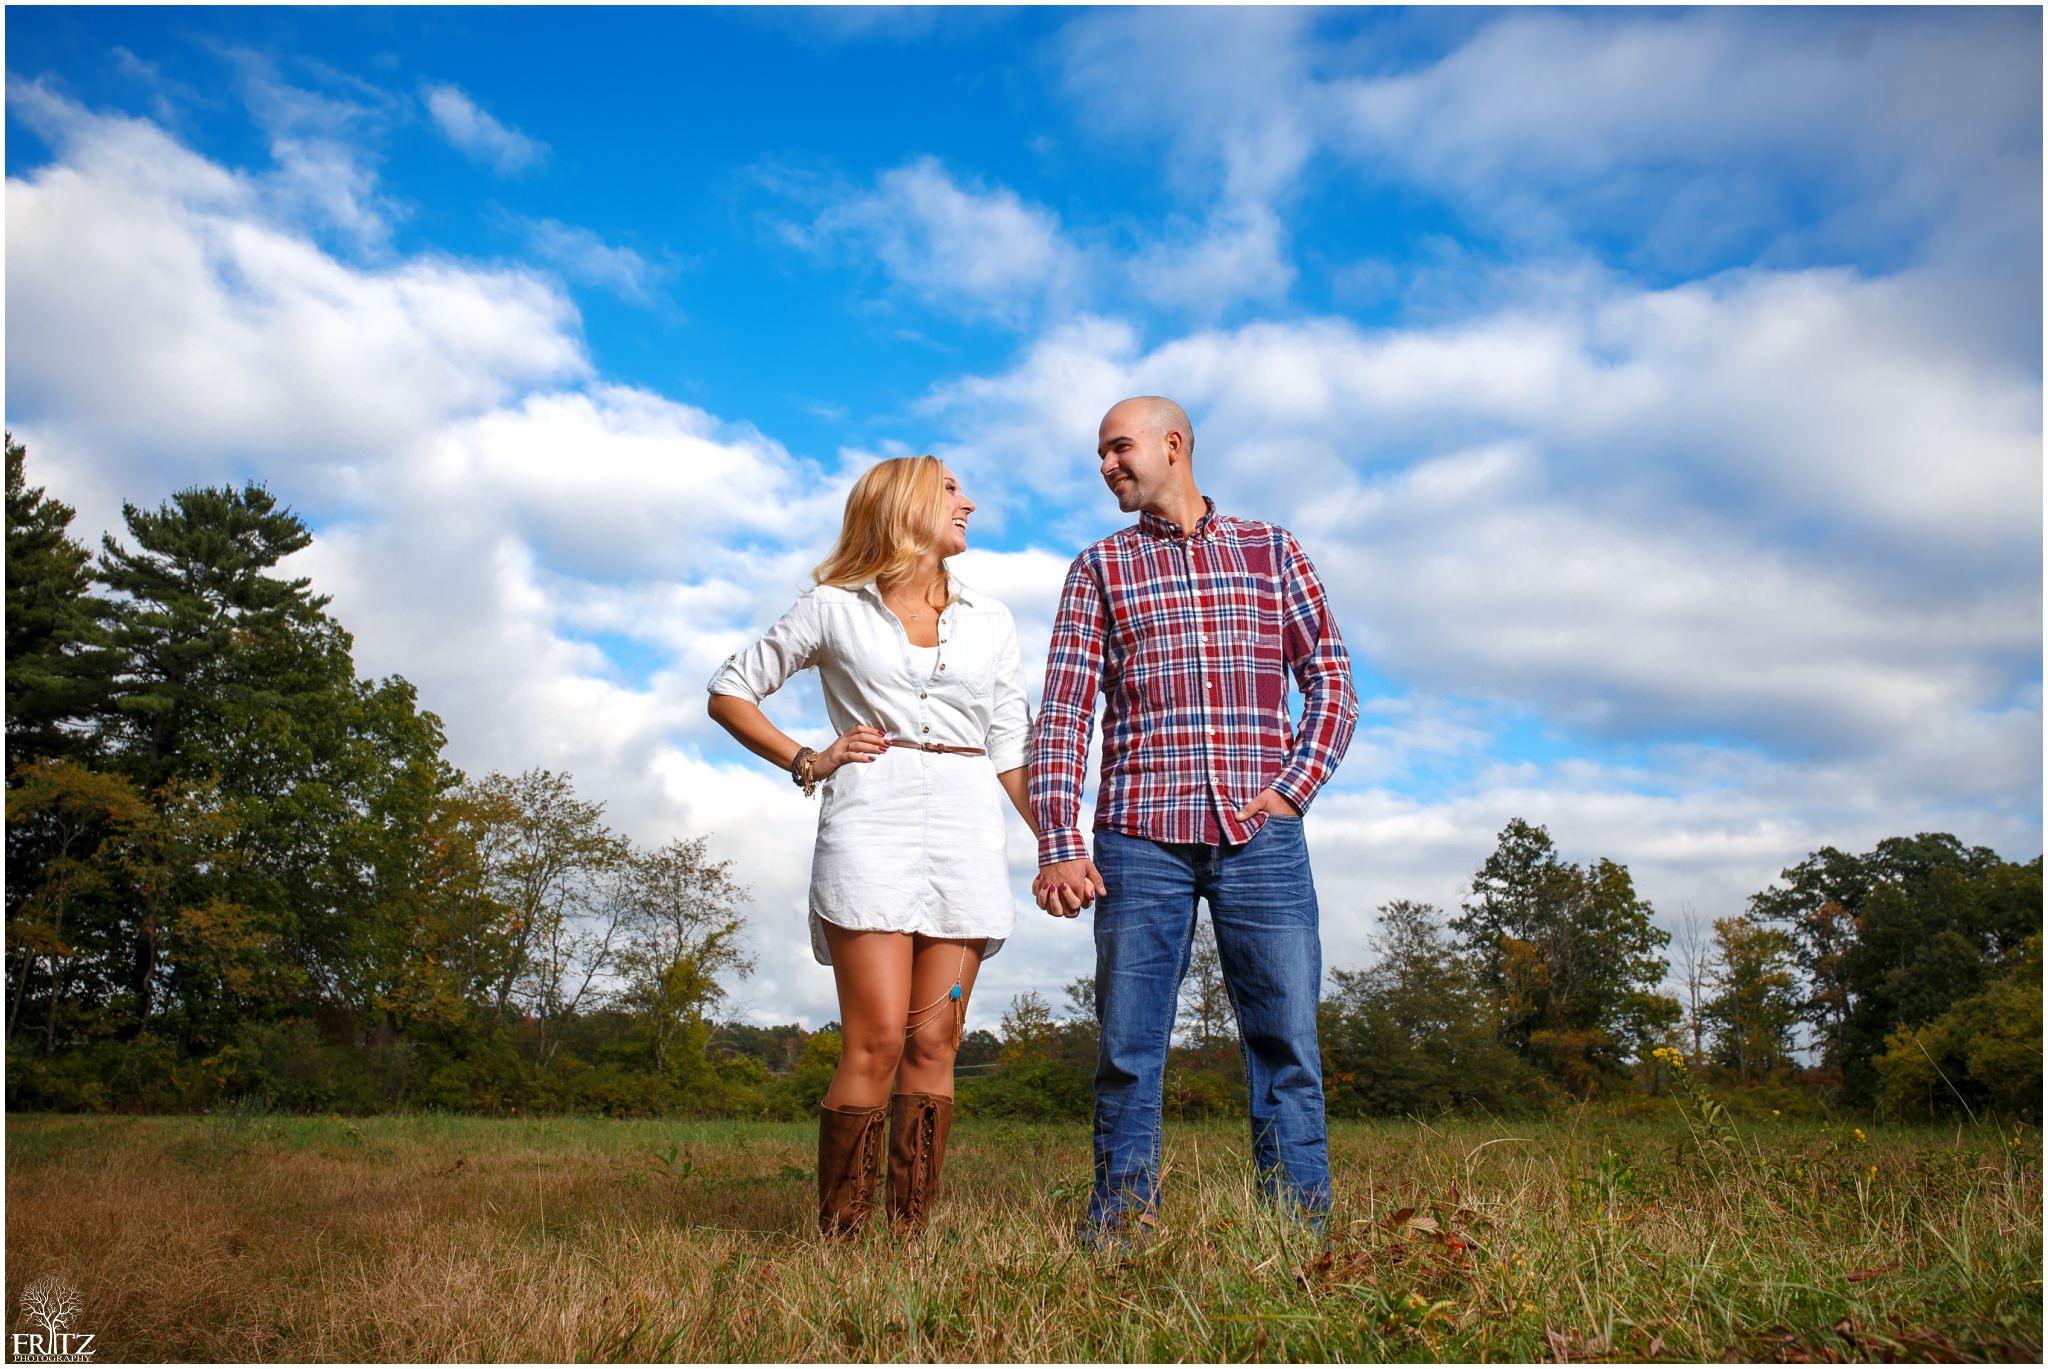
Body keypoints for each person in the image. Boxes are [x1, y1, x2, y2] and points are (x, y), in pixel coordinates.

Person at [1028, 396, 1358, 1245]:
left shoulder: (1271, 549)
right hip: (1138, 838)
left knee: (1287, 1041)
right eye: (1099, 454)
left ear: (1173, 446)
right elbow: (1064, 713)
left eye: (1117, 448)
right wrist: (1061, 842)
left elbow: (1332, 682)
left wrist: (1292, 789)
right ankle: (1122, 1231)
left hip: (1263, 840)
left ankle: (1296, 1233)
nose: (1106, 465)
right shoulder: (1098, 567)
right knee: (1129, 1049)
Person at [707, 454, 1034, 1237]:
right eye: (953, 489)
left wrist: (1063, 840)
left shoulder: (992, 619)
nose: (971, 501)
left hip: (964, 831)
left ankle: (909, 1235)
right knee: (880, 1036)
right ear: (905, 503)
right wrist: (808, 759)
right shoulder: (831, 608)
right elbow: (729, 689)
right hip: (868, 826)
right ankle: (845, 1238)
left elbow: (1013, 744)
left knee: (935, 1036)